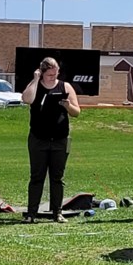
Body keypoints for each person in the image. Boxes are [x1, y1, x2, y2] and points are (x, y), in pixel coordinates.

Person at [20, 57, 81, 223]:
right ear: (42, 73)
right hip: (38, 139)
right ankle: (32, 213)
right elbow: (26, 99)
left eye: (56, 74)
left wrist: (68, 105)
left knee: (57, 178)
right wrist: (35, 79)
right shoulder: (35, 85)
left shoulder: (65, 86)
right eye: (49, 75)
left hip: (60, 139)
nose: (53, 77)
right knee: (37, 177)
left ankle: (57, 212)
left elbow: (77, 112)